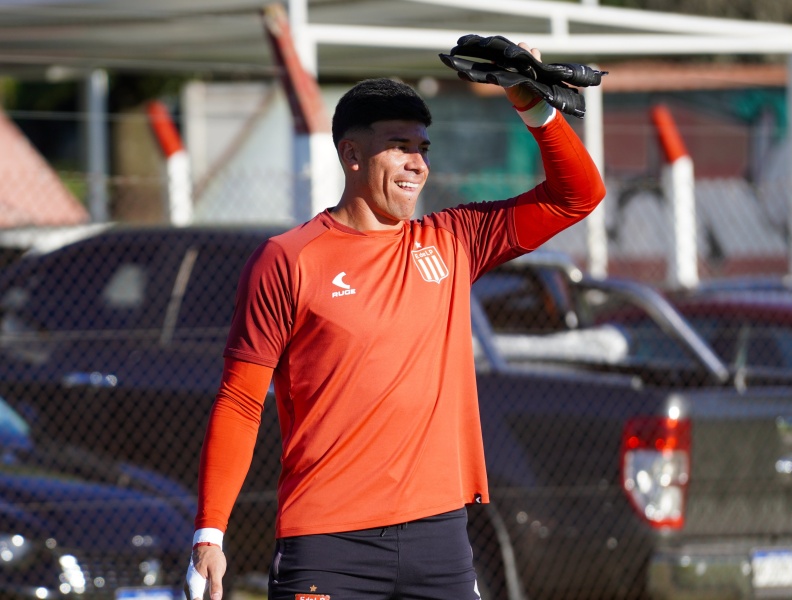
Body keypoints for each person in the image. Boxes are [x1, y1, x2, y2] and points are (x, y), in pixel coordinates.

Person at [186, 42, 605, 600]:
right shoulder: (287, 259)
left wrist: (532, 105)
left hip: (440, 538)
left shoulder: (453, 240)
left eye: (423, 149)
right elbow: (240, 402)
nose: (418, 164)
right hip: (328, 542)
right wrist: (209, 533)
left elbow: (578, 196)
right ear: (352, 155)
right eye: (400, 147)